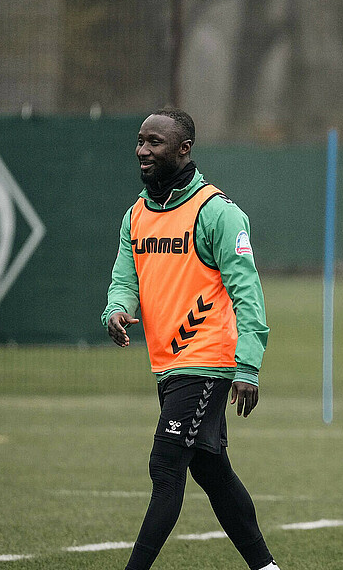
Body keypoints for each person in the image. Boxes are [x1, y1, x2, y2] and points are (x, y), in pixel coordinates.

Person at [102, 108, 280, 570]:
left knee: (165, 467)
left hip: (207, 360)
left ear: (184, 150)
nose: (143, 150)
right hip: (167, 365)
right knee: (210, 468)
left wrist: (248, 365)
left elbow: (248, 294)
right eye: (140, 140)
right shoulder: (136, 215)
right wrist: (117, 309)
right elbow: (126, 277)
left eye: (154, 142)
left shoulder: (217, 213)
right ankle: (266, 566)